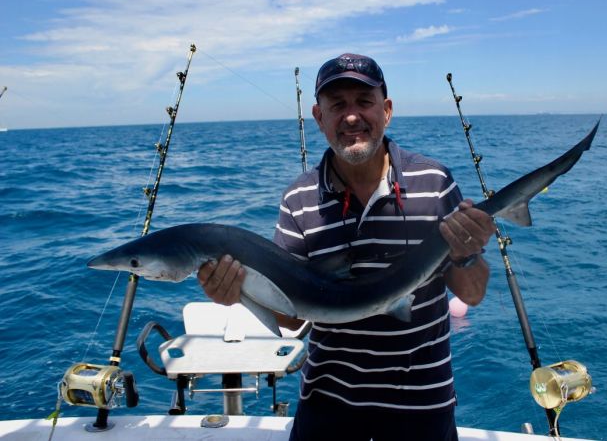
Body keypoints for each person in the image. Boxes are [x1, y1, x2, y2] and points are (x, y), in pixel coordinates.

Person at [198, 53, 497, 441]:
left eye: (363, 101)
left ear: (386, 111)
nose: (351, 116)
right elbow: (292, 319)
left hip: (422, 403)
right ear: (318, 117)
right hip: (328, 405)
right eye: (337, 105)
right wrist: (239, 292)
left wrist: (467, 252)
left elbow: (472, 293)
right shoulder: (299, 198)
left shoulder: (433, 181)